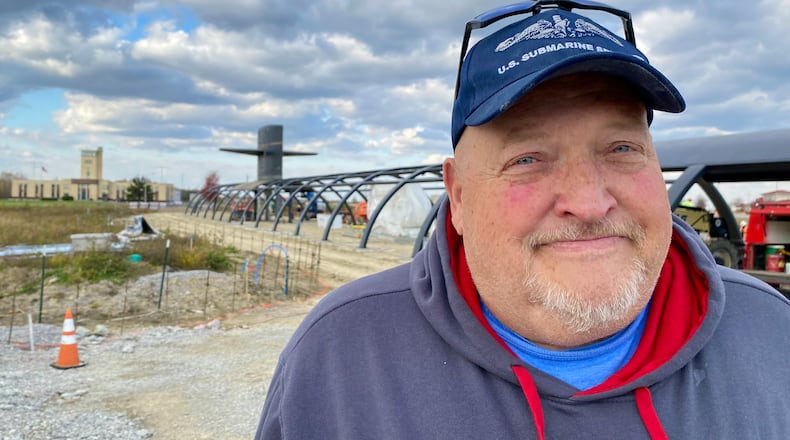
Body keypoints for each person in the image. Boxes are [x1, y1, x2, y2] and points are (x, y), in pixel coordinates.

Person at [255, 2, 790, 439]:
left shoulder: (770, 331)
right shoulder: (343, 357)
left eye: (622, 147)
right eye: (527, 159)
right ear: (458, 195)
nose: (589, 202)